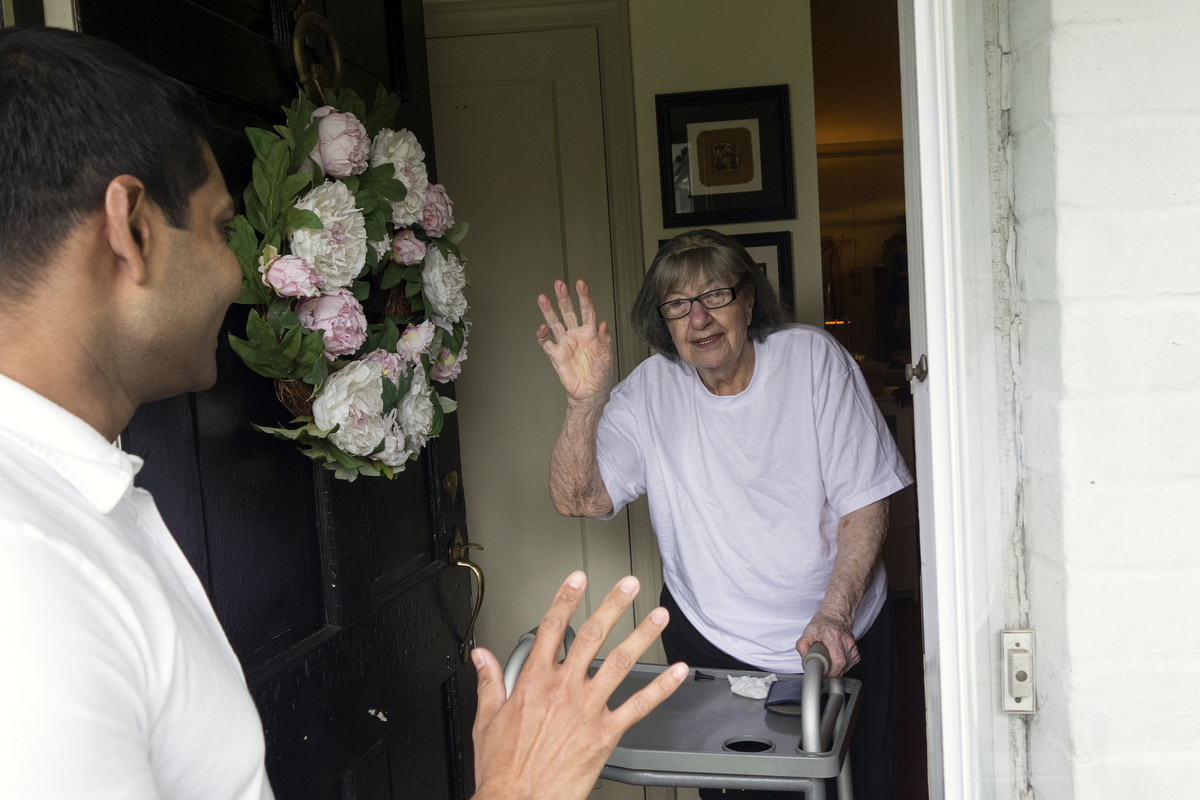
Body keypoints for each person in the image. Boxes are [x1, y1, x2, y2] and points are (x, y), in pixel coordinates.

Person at [0, 26, 685, 800]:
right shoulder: (22, 578)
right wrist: (518, 790)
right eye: (225, 227)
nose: (236, 272)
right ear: (129, 231)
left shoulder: (76, 499)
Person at [536, 229, 914, 800]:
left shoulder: (812, 360)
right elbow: (578, 498)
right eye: (679, 305)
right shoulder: (648, 393)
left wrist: (834, 617)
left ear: (750, 300)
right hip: (715, 644)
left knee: (861, 788)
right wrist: (583, 401)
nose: (700, 319)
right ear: (663, 321)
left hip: (838, 635)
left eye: (716, 295)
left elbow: (866, 501)